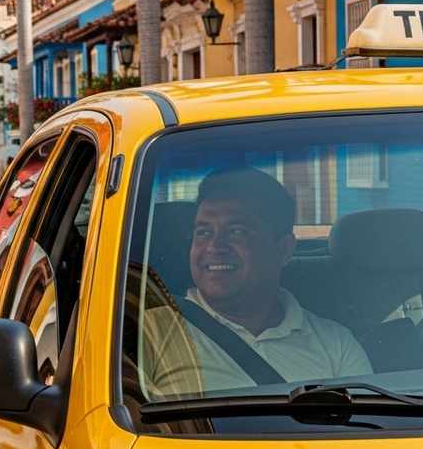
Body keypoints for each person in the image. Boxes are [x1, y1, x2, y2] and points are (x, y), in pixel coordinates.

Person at [141, 168, 371, 398]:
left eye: (236, 232)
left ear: (283, 250)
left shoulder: (335, 345)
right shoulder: (149, 333)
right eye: (203, 232)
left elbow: (367, 425)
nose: (214, 247)